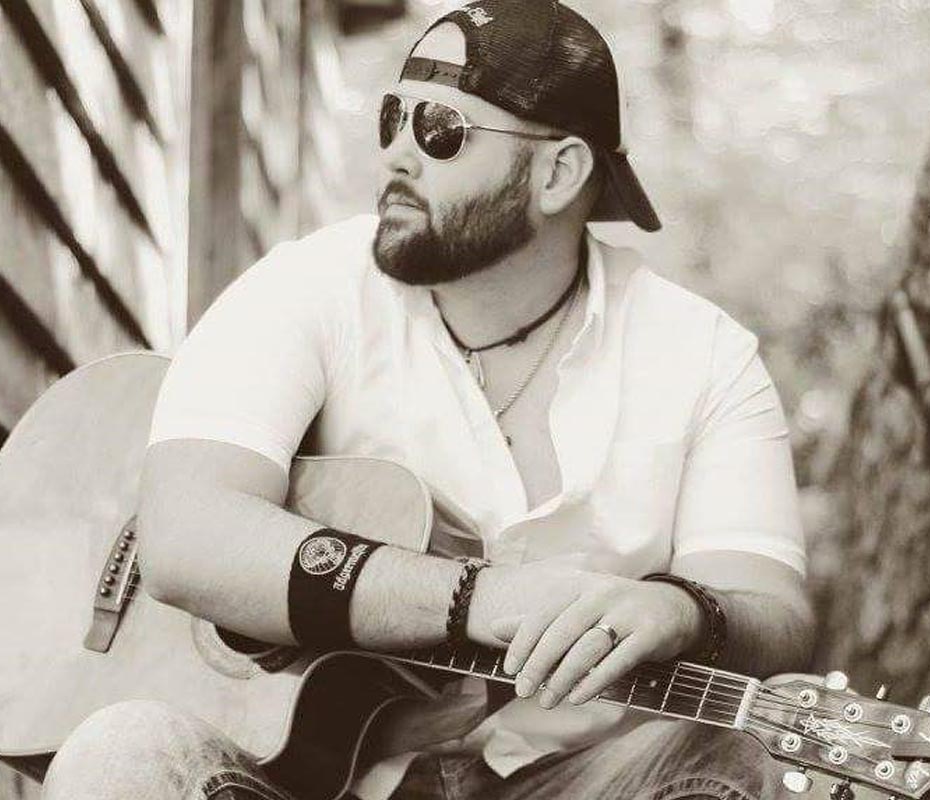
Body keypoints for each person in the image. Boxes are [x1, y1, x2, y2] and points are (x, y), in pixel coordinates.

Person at [41, 1, 813, 798]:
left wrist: (684, 613)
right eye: (393, 118)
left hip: (579, 780)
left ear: (558, 173)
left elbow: (774, 615)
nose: (397, 154)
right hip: (301, 780)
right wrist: (478, 598)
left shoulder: (702, 355)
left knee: (743, 756)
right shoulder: (307, 288)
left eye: (441, 130)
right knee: (120, 753)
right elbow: (184, 534)